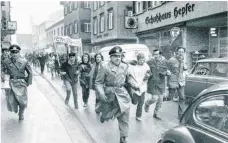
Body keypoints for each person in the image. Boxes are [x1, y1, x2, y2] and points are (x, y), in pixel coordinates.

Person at [95, 46, 139, 143]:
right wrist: (101, 93)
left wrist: (134, 84)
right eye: (115, 56)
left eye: (119, 56)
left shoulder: (125, 66)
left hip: (122, 94)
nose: (118, 58)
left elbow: (129, 79)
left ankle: (123, 137)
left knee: (124, 116)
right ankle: (104, 116)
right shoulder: (104, 66)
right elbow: (98, 82)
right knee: (107, 115)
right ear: (110, 57)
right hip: (110, 95)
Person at [1, 44, 32, 120]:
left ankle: (21, 113)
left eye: (16, 52)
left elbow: (30, 72)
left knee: (23, 102)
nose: (14, 54)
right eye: (12, 52)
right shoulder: (6, 62)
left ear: (19, 52)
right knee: (12, 101)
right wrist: (3, 78)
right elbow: (2, 71)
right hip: (11, 83)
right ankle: (16, 109)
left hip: (21, 83)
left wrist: (28, 82)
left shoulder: (24, 61)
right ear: (10, 53)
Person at [144, 49, 170, 120]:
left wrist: (167, 73)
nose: (155, 56)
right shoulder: (149, 62)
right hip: (152, 83)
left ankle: (156, 113)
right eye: (154, 54)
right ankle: (147, 103)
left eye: (156, 54)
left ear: (160, 55)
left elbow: (168, 70)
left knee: (160, 100)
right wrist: (147, 74)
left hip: (161, 83)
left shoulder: (166, 62)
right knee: (155, 98)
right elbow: (145, 69)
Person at [167, 46, 187, 119]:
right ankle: (159, 102)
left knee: (182, 98)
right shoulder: (172, 60)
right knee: (169, 98)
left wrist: (183, 62)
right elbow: (166, 68)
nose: (181, 53)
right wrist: (167, 72)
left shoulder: (183, 60)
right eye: (180, 52)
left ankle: (180, 115)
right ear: (177, 52)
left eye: (182, 52)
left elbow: (185, 69)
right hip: (173, 81)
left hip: (181, 81)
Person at [129, 53, 151, 121]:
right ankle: (133, 100)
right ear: (137, 60)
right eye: (140, 60)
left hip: (143, 86)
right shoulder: (133, 66)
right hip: (135, 86)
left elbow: (148, 74)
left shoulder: (146, 66)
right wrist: (134, 84)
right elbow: (130, 76)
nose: (142, 61)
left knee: (141, 102)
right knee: (134, 102)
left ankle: (138, 116)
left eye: (143, 60)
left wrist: (145, 79)